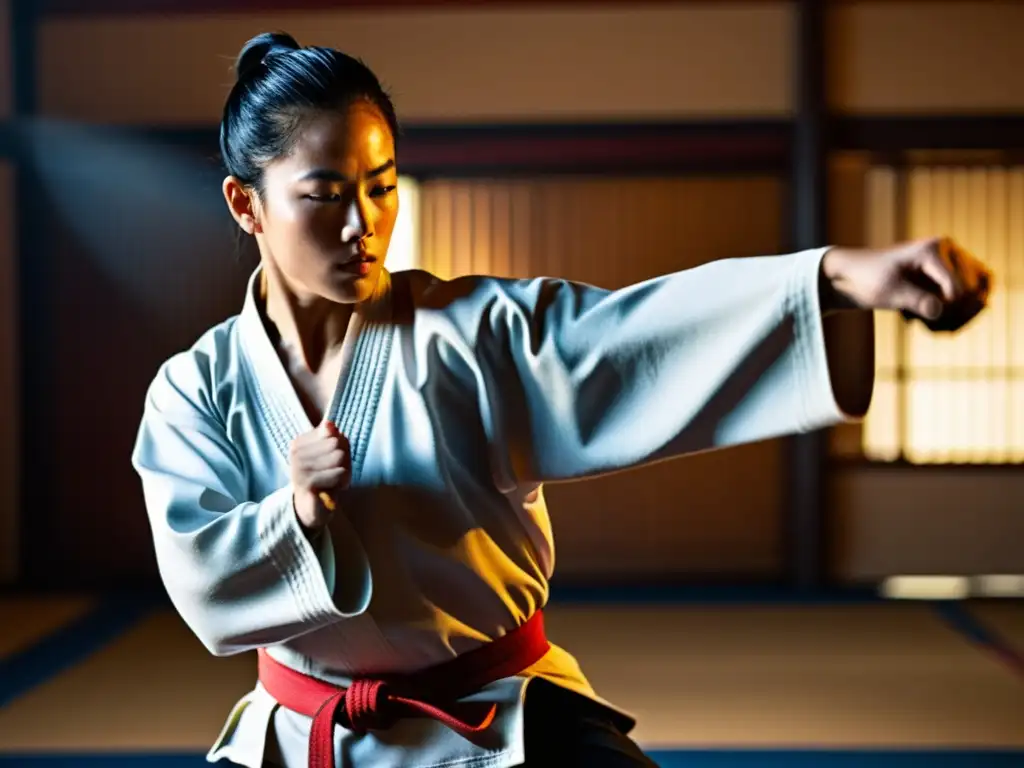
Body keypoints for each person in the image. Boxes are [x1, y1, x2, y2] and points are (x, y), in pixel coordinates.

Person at [130, 31, 991, 768]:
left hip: (499, 719)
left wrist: (836, 276)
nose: (363, 224)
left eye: (382, 186)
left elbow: (636, 336)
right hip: (302, 738)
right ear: (246, 203)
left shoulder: (475, 335)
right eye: (324, 195)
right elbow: (202, 585)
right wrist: (299, 515)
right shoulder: (194, 392)